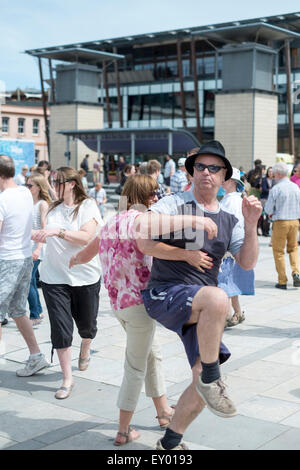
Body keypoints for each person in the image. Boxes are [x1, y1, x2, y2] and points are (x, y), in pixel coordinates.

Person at [69, 174, 213, 446]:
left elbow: (87, 253)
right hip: (139, 306)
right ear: (145, 197)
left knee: (152, 355)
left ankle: (163, 412)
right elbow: (168, 223)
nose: (157, 198)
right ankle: (123, 430)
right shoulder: (139, 220)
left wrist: (74, 259)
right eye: (153, 195)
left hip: (118, 306)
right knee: (135, 366)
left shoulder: (112, 221)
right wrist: (198, 220)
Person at [139, 140, 262, 450]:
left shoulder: (229, 220)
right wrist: (188, 236)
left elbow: (246, 263)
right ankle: (212, 376)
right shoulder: (173, 203)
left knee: (200, 380)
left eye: (214, 168)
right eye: (200, 167)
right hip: (165, 292)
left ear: (224, 177)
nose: (206, 173)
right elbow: (142, 235)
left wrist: (250, 226)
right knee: (218, 299)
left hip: (201, 305)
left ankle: (171, 441)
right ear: (191, 172)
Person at [31, 167, 103, 399]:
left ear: (72, 183)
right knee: (61, 328)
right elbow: (47, 232)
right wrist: (38, 237)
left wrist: (57, 232)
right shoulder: (52, 208)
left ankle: (85, 344)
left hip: (85, 276)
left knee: (87, 325)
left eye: (58, 182)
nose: (54, 185)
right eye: (52, 181)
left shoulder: (87, 206)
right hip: (54, 277)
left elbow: (86, 237)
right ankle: (67, 378)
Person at [0, 155, 48, 376]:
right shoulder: (24, 193)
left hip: (7, 260)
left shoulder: (3, 199)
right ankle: (36, 355)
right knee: (18, 311)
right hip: (25, 258)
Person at [218, 168, 255, 328]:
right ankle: (237, 313)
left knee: (223, 283)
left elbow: (230, 226)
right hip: (232, 248)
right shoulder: (232, 198)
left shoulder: (231, 201)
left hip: (229, 249)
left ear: (231, 182)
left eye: (224, 178)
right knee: (227, 283)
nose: (221, 181)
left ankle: (225, 317)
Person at [264, 161, 300, 290]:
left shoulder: (276, 189)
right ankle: (296, 272)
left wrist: (271, 214)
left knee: (278, 251)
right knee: (293, 248)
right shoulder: (296, 187)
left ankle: (282, 280)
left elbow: (268, 209)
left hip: (281, 222)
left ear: (278, 174)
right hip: (295, 221)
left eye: (274, 174)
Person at [26, 174, 51, 326]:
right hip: (27, 245)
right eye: (27, 185)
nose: (28, 188)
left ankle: (35, 313)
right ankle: (38, 311)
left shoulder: (43, 204)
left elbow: (44, 227)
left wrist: (38, 248)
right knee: (30, 281)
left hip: (37, 247)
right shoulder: (30, 202)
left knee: (27, 281)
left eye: (30, 185)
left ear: (39, 187)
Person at [260, 167, 276, 237]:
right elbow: (264, 189)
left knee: (269, 216)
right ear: (267, 172)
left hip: (272, 200)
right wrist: (271, 190)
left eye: (272, 172)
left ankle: (267, 231)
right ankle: (264, 231)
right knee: (264, 216)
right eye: (269, 171)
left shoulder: (275, 180)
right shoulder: (264, 180)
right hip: (264, 199)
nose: (270, 173)